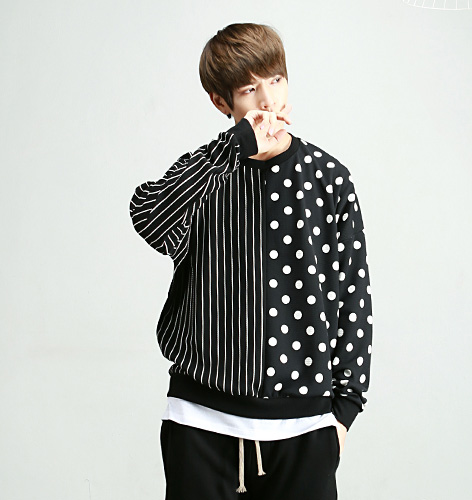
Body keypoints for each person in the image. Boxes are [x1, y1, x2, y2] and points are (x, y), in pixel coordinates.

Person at [129, 22, 373, 500]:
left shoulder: (329, 179)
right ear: (222, 102)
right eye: (249, 89)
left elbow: (352, 298)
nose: (268, 100)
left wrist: (344, 412)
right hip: (201, 422)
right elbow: (149, 216)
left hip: (305, 426)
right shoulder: (206, 174)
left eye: (276, 80)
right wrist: (234, 146)